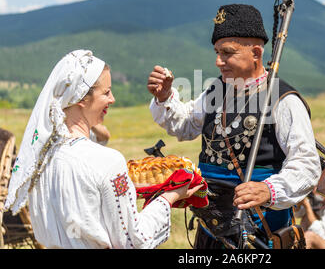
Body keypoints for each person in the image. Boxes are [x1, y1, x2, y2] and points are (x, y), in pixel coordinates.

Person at [148, 4, 321, 248]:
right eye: (217, 52)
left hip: (260, 234)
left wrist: (268, 190)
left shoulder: (284, 100)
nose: (219, 61)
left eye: (228, 53)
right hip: (210, 233)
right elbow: (185, 124)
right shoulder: (216, 91)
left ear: (256, 53)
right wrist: (165, 97)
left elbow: (306, 164)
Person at [4, 50, 202, 249]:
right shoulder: (107, 161)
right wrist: (171, 195)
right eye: (106, 92)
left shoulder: (40, 159)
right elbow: (133, 241)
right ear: (81, 98)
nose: (112, 99)